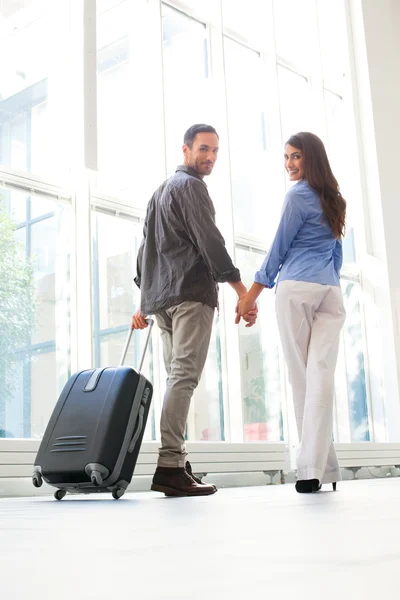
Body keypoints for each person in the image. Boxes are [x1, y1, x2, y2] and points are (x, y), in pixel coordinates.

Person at [132, 123, 257, 497]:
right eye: (204, 149)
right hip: (190, 292)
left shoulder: (159, 193)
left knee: (176, 377)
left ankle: (177, 459)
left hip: (162, 300)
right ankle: (169, 465)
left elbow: (144, 254)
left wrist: (143, 300)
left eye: (215, 151)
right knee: (183, 378)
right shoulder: (191, 187)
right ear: (185, 150)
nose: (210, 158)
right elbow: (210, 241)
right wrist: (240, 291)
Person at [237, 132, 346, 494]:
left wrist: (250, 296)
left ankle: (311, 469)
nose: (289, 164)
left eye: (296, 157)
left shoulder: (297, 196)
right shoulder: (335, 199)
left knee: (303, 379)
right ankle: (322, 468)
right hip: (330, 292)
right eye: (286, 157)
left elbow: (278, 249)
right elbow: (337, 254)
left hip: (297, 289)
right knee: (321, 378)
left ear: (311, 158)